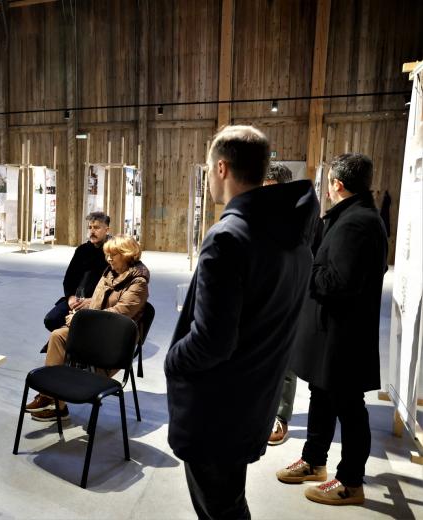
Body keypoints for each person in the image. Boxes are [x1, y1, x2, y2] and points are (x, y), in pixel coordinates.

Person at [165, 125, 319, 519]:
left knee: (220, 508)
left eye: (208, 169)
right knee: (228, 502)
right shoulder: (294, 237)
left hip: (217, 409)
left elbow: (212, 341)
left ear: (221, 168)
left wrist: (173, 360)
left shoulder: (228, 238)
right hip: (252, 402)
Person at [277, 153, 388, 506]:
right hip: (330, 333)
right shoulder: (353, 217)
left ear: (337, 184)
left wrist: (305, 266)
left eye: (328, 182)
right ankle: (314, 461)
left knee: (349, 407)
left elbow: (337, 282)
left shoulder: (356, 223)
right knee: (322, 396)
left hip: (343, 336)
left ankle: (350, 482)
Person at [26, 234, 150, 421]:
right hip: (96, 329)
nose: (109, 259)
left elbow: (118, 314)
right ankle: (52, 397)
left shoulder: (138, 283)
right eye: (107, 254)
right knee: (58, 335)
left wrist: (81, 320)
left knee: (68, 335)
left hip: (115, 338)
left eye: (113, 255)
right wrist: (80, 313)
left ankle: (55, 401)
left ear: (127, 255)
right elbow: (97, 303)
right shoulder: (109, 273)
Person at [263, 162, 297, 446]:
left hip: (288, 301)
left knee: (285, 364)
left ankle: (280, 416)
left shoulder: (302, 220)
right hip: (258, 300)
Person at [42, 211, 110, 333]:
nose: (92, 231)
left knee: (81, 325)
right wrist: (70, 297)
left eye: (96, 228)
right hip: (77, 299)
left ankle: (69, 337)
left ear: (107, 230)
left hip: (97, 302)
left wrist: (94, 301)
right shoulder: (82, 250)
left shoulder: (112, 252)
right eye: (90, 227)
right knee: (51, 320)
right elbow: (69, 278)